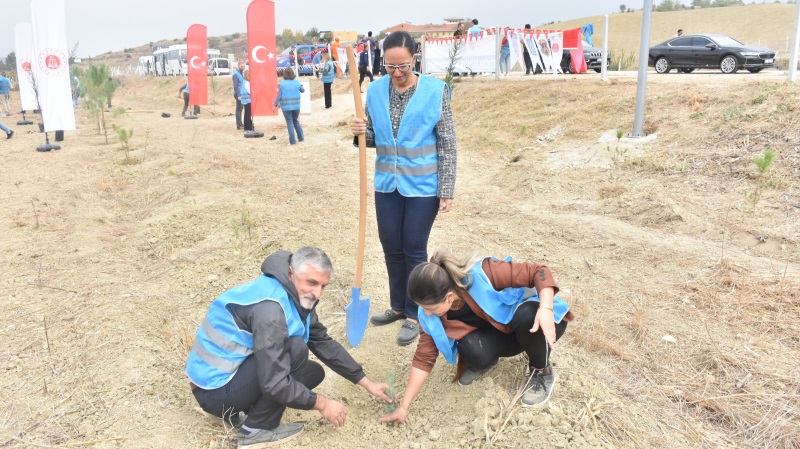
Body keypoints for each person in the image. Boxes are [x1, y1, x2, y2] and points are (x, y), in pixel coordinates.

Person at [186, 247, 392, 448]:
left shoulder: (291, 291)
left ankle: (247, 410)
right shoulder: (270, 311)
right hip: (214, 392)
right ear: (292, 272)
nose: (317, 293)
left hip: (228, 379)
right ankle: (255, 430)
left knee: (312, 373)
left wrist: (366, 382)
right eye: (312, 283)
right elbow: (274, 382)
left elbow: (321, 341)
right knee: (295, 349)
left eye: (323, 286)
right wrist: (322, 403)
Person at [380, 250, 575, 425]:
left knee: (526, 315)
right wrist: (403, 407)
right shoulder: (429, 315)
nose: (427, 313)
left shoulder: (484, 273)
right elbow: (424, 358)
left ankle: (541, 370)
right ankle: (489, 361)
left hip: (541, 324)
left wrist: (546, 308)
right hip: (507, 334)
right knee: (470, 348)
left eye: (431, 308)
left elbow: (538, 271)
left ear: (449, 297)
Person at [349, 31, 457, 346]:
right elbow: (373, 137)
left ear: (415, 59)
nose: (396, 73)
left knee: (413, 248)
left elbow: (447, 143)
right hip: (387, 184)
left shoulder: (436, 91)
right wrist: (359, 131)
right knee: (391, 247)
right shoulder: (375, 90)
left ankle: (414, 313)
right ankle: (398, 305)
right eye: (390, 66)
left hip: (423, 186)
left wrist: (446, 188)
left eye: (403, 66)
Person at [273, 68, 304, 145]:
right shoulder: (297, 82)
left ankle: (292, 141)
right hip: (296, 106)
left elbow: (279, 96)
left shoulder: (281, 84)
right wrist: (300, 85)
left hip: (286, 107)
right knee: (296, 121)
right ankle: (301, 138)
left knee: (290, 123)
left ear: (284, 75)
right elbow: (303, 90)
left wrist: (275, 105)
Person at [232, 60, 245, 130]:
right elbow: (236, 86)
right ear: (239, 65)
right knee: (239, 109)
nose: (243, 66)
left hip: (241, 93)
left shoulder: (241, 73)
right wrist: (238, 95)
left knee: (240, 108)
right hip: (238, 94)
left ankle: (240, 123)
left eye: (243, 65)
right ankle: (238, 124)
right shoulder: (236, 74)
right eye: (241, 65)